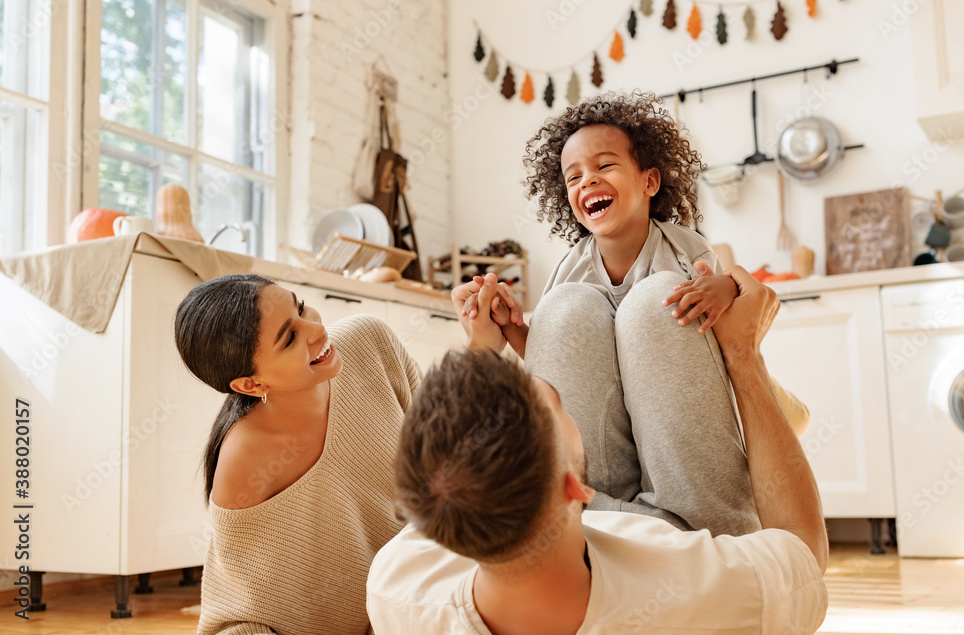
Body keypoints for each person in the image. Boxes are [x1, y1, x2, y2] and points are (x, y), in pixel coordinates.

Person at [368, 268, 828, 634]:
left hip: (569, 535)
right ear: (573, 486)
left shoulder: (397, 582)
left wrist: (482, 349)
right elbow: (804, 550)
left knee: (566, 306)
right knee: (659, 301)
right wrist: (743, 354)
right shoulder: (709, 597)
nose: (549, 384)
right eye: (556, 404)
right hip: (688, 540)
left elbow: (449, 473)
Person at [453, 90, 808, 537]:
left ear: (650, 182)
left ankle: (705, 520)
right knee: (564, 308)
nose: (588, 182)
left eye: (604, 166)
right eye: (574, 177)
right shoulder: (571, 268)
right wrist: (512, 329)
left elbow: (727, 309)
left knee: (657, 299)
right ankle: (608, 513)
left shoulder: (684, 247)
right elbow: (552, 356)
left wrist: (721, 287)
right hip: (612, 404)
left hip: (676, 393)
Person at [174, 274, 421, 635]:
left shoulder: (370, 340)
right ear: (252, 384)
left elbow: (448, 445)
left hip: (404, 598)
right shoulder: (243, 456)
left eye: (301, 306)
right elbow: (245, 600)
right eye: (290, 338)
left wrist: (482, 342)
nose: (316, 330)